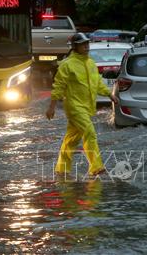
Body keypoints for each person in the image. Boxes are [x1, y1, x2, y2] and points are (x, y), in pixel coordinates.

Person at [46, 32, 119, 177]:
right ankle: (97, 167)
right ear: (74, 47)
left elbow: (97, 83)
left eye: (87, 44)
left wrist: (110, 94)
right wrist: (52, 106)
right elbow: (58, 86)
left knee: (71, 139)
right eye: (82, 44)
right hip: (74, 107)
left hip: (87, 106)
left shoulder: (90, 63)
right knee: (89, 132)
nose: (86, 46)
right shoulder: (67, 64)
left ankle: (62, 169)